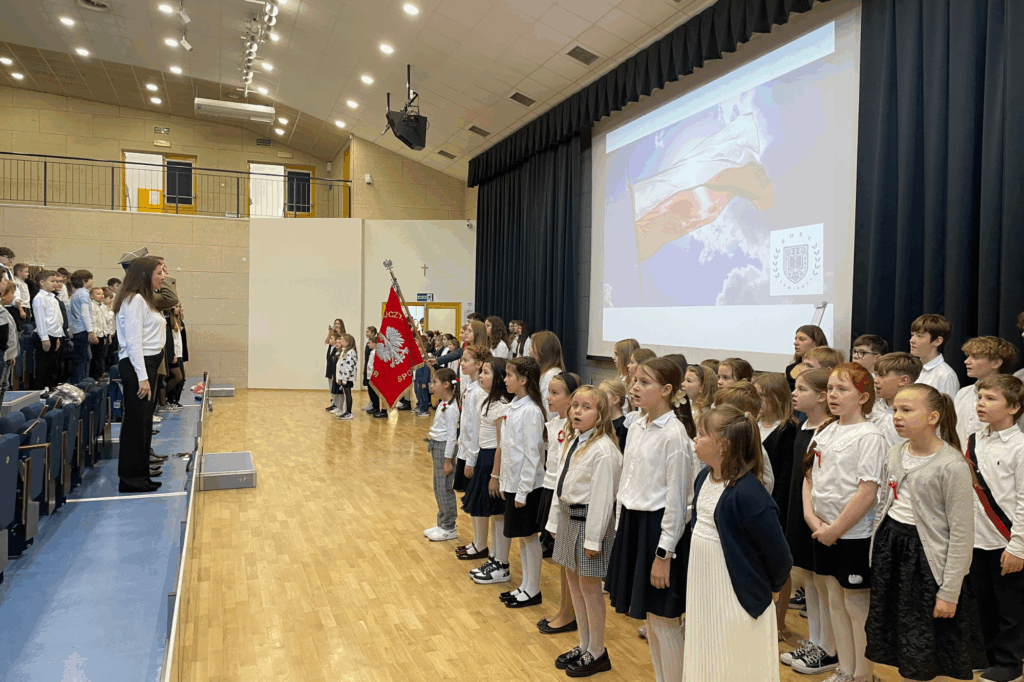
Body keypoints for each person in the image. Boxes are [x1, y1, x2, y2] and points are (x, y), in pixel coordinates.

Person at [865, 384, 987, 682]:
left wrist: (949, 592)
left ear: (933, 417)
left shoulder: (952, 466)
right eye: (895, 409)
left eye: (907, 410)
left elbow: (962, 534)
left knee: (929, 648)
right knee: (901, 642)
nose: (897, 416)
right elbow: (884, 504)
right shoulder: (895, 452)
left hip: (929, 565)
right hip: (894, 554)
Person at [684, 405, 793, 682]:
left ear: (722, 445)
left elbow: (780, 554)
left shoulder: (748, 493)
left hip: (736, 593)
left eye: (701, 434)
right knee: (707, 651)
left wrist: (773, 588)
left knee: (735, 660)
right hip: (704, 586)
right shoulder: (704, 477)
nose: (695, 439)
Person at [605, 357, 697, 682]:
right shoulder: (636, 426)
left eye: (645, 383)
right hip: (634, 526)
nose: (635, 387)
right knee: (651, 622)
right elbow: (627, 484)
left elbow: (679, 502)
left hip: (658, 532)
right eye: (636, 381)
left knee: (664, 621)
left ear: (667, 390)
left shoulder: (674, 435)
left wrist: (663, 554)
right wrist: (621, 530)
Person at [803, 363, 887, 682]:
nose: (833, 395)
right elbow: (809, 477)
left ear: (863, 397)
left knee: (855, 605)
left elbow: (867, 492)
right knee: (834, 601)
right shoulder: (826, 430)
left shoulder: (869, 436)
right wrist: (813, 520)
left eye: (842, 389)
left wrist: (836, 529)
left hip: (853, 535)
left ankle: (864, 675)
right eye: (830, 389)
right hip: (824, 531)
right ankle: (845, 671)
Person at [547, 385, 622, 677]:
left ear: (601, 414)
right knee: (574, 584)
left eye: (586, 407)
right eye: (575, 406)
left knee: (590, 589)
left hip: (589, 524)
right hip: (569, 520)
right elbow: (561, 484)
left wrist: (593, 539)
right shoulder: (575, 440)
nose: (577, 411)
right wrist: (554, 521)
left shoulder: (603, 450)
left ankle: (598, 651)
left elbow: (602, 500)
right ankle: (584, 644)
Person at [967, 374, 1024, 682]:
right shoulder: (974, 440)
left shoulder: (1020, 447)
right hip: (976, 538)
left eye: (990, 399)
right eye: (980, 398)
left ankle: (1009, 663)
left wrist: (1018, 546)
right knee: (981, 602)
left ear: (1013, 407)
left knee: (1009, 608)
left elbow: (1023, 500)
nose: (981, 404)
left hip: (1006, 540)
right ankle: (986, 655)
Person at [783, 369, 838, 675]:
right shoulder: (804, 427)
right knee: (809, 580)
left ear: (821, 397)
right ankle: (815, 641)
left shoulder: (828, 431)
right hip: (800, 511)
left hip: (817, 516)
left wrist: (814, 517)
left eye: (802, 388)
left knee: (822, 583)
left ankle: (829, 647)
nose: (794, 393)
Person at [114, 257, 167, 494]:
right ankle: (131, 479)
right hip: (139, 365)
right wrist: (143, 378)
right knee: (136, 424)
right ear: (146, 275)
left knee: (144, 423)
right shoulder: (134, 300)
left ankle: (141, 475)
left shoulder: (144, 299)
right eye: (159, 272)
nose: (163, 277)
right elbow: (134, 342)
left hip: (147, 364)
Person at [497, 356, 547, 608]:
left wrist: (522, 491)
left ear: (524, 380)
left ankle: (533, 588)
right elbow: (509, 451)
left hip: (526, 487)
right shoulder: (514, 406)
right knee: (522, 537)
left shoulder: (531, 411)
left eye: (509, 375)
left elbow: (532, 455)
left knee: (529, 537)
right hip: (513, 484)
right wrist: (505, 483)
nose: (505, 380)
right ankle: (526, 585)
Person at [753, 372, 799, 636]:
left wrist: (776, 509)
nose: (757, 400)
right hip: (753, 505)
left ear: (776, 397)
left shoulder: (787, 430)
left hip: (773, 506)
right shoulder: (755, 424)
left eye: (761, 395)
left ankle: (780, 622)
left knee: (778, 565)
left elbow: (784, 476)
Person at [536, 371, 581, 634]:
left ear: (571, 397)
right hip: (549, 488)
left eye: (555, 393)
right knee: (560, 559)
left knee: (565, 560)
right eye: (549, 392)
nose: (549, 398)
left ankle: (569, 612)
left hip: (561, 493)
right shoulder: (554, 423)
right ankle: (565, 608)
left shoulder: (572, 427)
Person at [469, 358, 517, 584]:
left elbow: (501, 444)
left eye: (486, 372)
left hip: (493, 461)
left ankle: (502, 563)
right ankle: (495, 558)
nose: (481, 376)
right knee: (494, 515)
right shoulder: (489, 400)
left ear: (497, 378)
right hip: (484, 458)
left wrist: (495, 475)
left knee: (499, 514)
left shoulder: (501, 406)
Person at [453, 345, 490, 548]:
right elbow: (465, 424)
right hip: (466, 450)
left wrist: (470, 458)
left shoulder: (479, 392)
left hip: (473, 453)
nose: (462, 363)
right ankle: (476, 541)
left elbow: (476, 428)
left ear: (478, 364)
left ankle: (480, 544)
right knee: (470, 499)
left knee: (476, 500)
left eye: (466, 360)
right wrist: (461, 450)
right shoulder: (470, 387)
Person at [953, 336, 1018, 447]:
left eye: (975, 357)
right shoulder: (963, 393)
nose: (966, 361)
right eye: (968, 356)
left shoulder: (1009, 396)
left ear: (996, 363)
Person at [424, 368, 460, 542]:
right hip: (437, 446)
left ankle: (449, 526)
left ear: (446, 385)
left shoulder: (452, 408)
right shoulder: (442, 404)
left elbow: (452, 437)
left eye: (435, 382)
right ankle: (441, 522)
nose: (432, 386)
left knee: (445, 488)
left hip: (445, 449)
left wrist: (448, 461)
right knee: (438, 487)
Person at [872, 352, 923, 447]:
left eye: (881, 375)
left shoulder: (916, 417)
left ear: (903, 380)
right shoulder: (872, 409)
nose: (875, 380)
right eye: (875, 375)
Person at [910, 313, 960, 398]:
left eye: (919, 336)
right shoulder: (912, 368)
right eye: (912, 335)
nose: (912, 340)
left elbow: (947, 406)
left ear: (937, 341)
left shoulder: (945, 375)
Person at [31, 269, 64, 390]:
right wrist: (44, 338)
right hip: (45, 335)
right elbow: (40, 320)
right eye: (52, 281)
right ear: (42, 282)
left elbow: (57, 318)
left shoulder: (53, 297)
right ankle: (41, 390)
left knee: (53, 365)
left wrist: (58, 336)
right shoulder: (39, 298)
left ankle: (50, 388)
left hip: (54, 335)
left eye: (56, 281)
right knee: (43, 365)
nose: (55, 283)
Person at [67, 270, 97, 384]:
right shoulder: (84, 293)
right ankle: (81, 383)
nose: (92, 281)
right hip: (82, 329)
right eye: (91, 279)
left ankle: (82, 382)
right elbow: (85, 314)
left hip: (77, 329)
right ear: (84, 281)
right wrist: (90, 331)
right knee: (82, 359)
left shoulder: (76, 293)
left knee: (82, 358)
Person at [531, 330, 566, 406]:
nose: (529, 349)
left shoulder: (550, 376)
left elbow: (547, 408)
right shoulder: (544, 373)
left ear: (541, 350)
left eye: (532, 346)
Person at [599, 379, 628, 451]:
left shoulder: (623, 426)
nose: (598, 398)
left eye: (603, 395)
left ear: (615, 400)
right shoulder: (601, 421)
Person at [334, 333, 357, 420]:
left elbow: (349, 367)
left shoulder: (351, 352)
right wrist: (340, 378)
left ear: (348, 342)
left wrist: (344, 379)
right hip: (344, 377)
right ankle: (346, 411)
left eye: (343, 341)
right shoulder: (344, 351)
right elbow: (341, 365)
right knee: (346, 393)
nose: (341, 342)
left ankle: (349, 412)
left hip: (347, 378)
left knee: (348, 394)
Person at [88, 287, 110, 381]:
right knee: (95, 358)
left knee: (100, 356)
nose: (101, 296)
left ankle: (100, 375)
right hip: (96, 335)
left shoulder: (102, 306)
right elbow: (92, 321)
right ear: (92, 296)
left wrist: (105, 335)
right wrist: (94, 334)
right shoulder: (92, 306)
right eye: (98, 294)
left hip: (102, 334)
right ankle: (95, 377)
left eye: (102, 294)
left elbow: (104, 321)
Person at [412, 338, 432, 416]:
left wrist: (424, 382)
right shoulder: (419, 357)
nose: (418, 349)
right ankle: (420, 406)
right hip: (417, 378)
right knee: (418, 393)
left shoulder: (426, 359)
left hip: (422, 380)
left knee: (424, 395)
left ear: (425, 349)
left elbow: (426, 372)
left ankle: (424, 410)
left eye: (420, 347)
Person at [361, 326, 377, 412]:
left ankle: (374, 404)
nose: (366, 333)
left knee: (373, 389)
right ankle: (371, 403)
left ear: (373, 333)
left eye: (368, 332)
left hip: (372, 371)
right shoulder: (369, 344)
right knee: (369, 387)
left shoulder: (374, 349)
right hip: (368, 368)